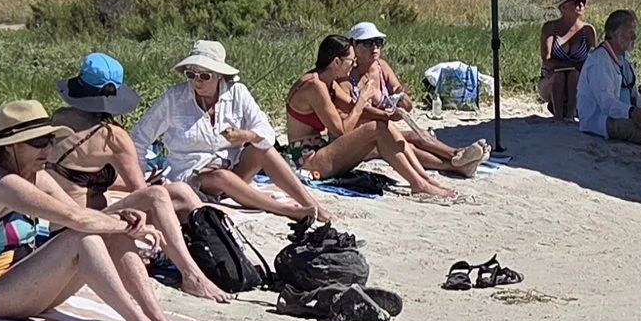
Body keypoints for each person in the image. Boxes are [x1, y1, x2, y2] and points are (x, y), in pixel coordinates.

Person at [0, 100, 202, 321]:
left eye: (50, 140)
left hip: (28, 286)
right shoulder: (1, 183)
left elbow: (79, 215)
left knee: (103, 231)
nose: (49, 149)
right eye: (39, 143)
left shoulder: (37, 176)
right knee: (83, 237)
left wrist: (120, 218)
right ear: (10, 147)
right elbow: (74, 218)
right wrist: (129, 227)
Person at [47, 52, 233, 303]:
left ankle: (221, 251)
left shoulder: (59, 119)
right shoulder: (112, 136)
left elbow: (78, 176)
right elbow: (140, 192)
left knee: (178, 191)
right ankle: (193, 274)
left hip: (59, 226)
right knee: (158, 195)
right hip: (89, 226)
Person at [131, 40, 330, 223]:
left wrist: (247, 136)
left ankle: (312, 204)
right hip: (192, 177)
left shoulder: (237, 93)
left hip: (233, 168)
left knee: (263, 149)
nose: (197, 81)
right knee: (221, 177)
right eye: (191, 75)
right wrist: (138, 182)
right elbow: (139, 138)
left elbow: (266, 131)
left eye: (204, 76)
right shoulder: (174, 99)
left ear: (219, 75)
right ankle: (286, 210)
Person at [287, 33, 461, 201]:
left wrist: (386, 115)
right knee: (376, 129)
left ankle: (423, 179)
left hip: (320, 150)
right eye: (350, 60)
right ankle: (419, 182)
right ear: (336, 62)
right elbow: (341, 130)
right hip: (307, 160)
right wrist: (363, 98)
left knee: (382, 125)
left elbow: (351, 107)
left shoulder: (328, 82)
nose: (353, 64)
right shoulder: (314, 86)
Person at [345, 21, 486, 177]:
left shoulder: (381, 67)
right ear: (354, 46)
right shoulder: (347, 75)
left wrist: (401, 99)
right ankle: (455, 163)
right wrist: (386, 114)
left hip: (382, 128)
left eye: (378, 42)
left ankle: (457, 155)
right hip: (361, 135)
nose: (375, 48)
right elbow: (354, 109)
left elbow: (402, 95)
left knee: (417, 135)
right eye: (368, 43)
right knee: (405, 143)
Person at [578, 8, 641, 143]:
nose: (634, 38)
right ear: (614, 34)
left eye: (635, 33)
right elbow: (606, 104)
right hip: (601, 119)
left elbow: (634, 94)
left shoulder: (625, 60)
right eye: (630, 33)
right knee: (640, 132)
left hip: (624, 112)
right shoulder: (599, 61)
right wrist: (631, 112)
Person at [540, 0, 596, 122]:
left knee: (574, 76)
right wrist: (572, 65)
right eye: (575, 1)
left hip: (578, 81)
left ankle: (570, 114)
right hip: (551, 79)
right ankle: (559, 115)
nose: (581, 5)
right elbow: (547, 60)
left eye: (583, 1)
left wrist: (571, 68)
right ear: (563, 7)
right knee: (559, 76)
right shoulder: (550, 28)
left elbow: (592, 59)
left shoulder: (588, 30)